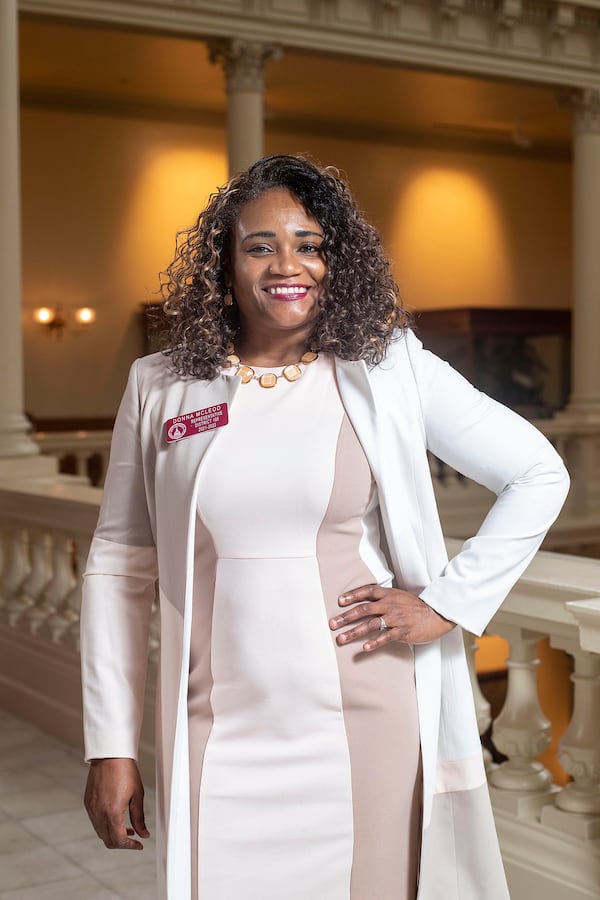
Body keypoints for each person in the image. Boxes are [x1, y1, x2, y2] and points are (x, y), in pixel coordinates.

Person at [80, 154, 569, 900]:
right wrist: (110, 746)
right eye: (260, 245)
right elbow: (118, 563)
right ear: (224, 262)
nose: (289, 265)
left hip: (364, 713)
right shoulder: (161, 384)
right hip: (216, 721)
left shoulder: (390, 366)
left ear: (337, 259)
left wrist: (447, 604)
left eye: (310, 244)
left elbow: (539, 473)